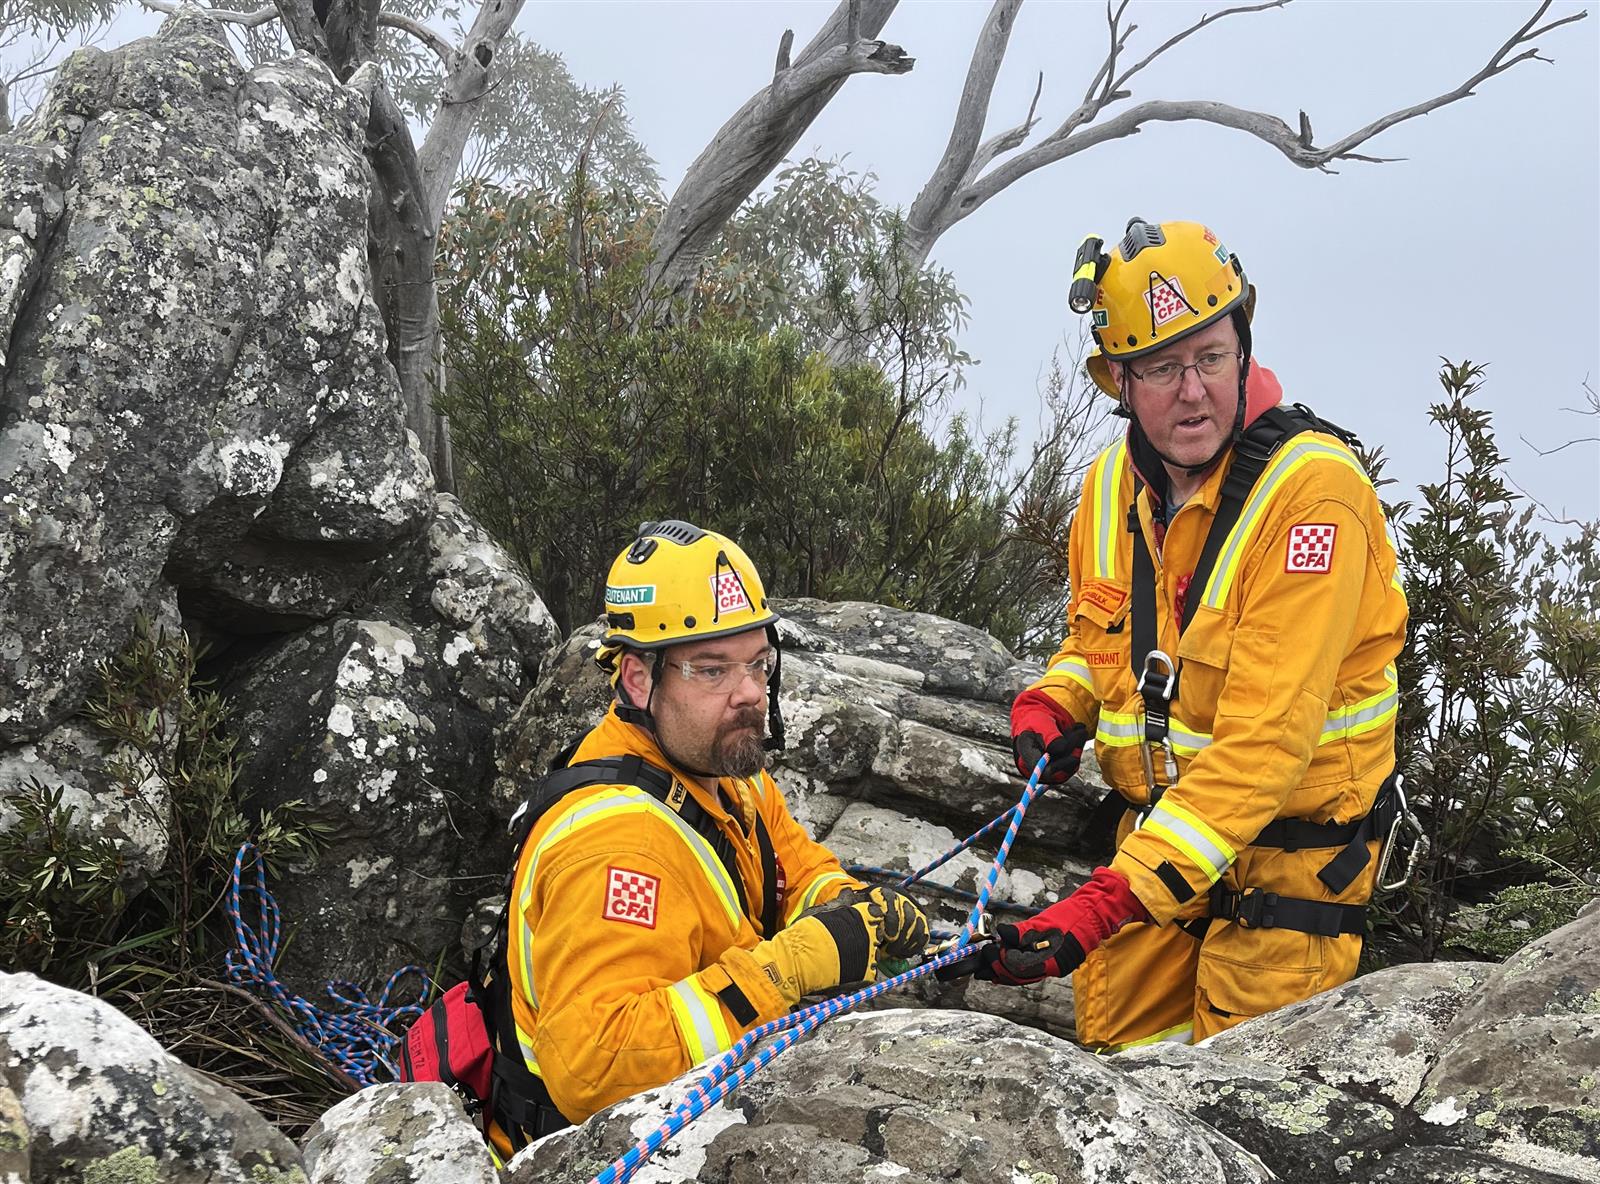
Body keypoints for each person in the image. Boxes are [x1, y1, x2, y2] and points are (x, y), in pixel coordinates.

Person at [971, 218, 1407, 1051]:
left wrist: (1104, 901)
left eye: (1210, 356)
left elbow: (1266, 745)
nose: (1194, 391)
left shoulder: (1313, 499)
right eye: (1164, 369)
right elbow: (1099, 641)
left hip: (1285, 878)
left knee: (1239, 1123)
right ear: (1118, 382)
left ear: (1244, 347)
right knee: (1125, 1097)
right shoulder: (1107, 491)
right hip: (1158, 854)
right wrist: (1055, 701)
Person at [495, 520, 929, 1144]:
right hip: (588, 1150)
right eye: (711, 670)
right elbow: (596, 1069)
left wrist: (844, 907)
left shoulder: (724, 771)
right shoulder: (619, 848)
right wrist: (788, 970)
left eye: (757, 663)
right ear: (639, 678)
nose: (749, 693)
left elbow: (792, 868)